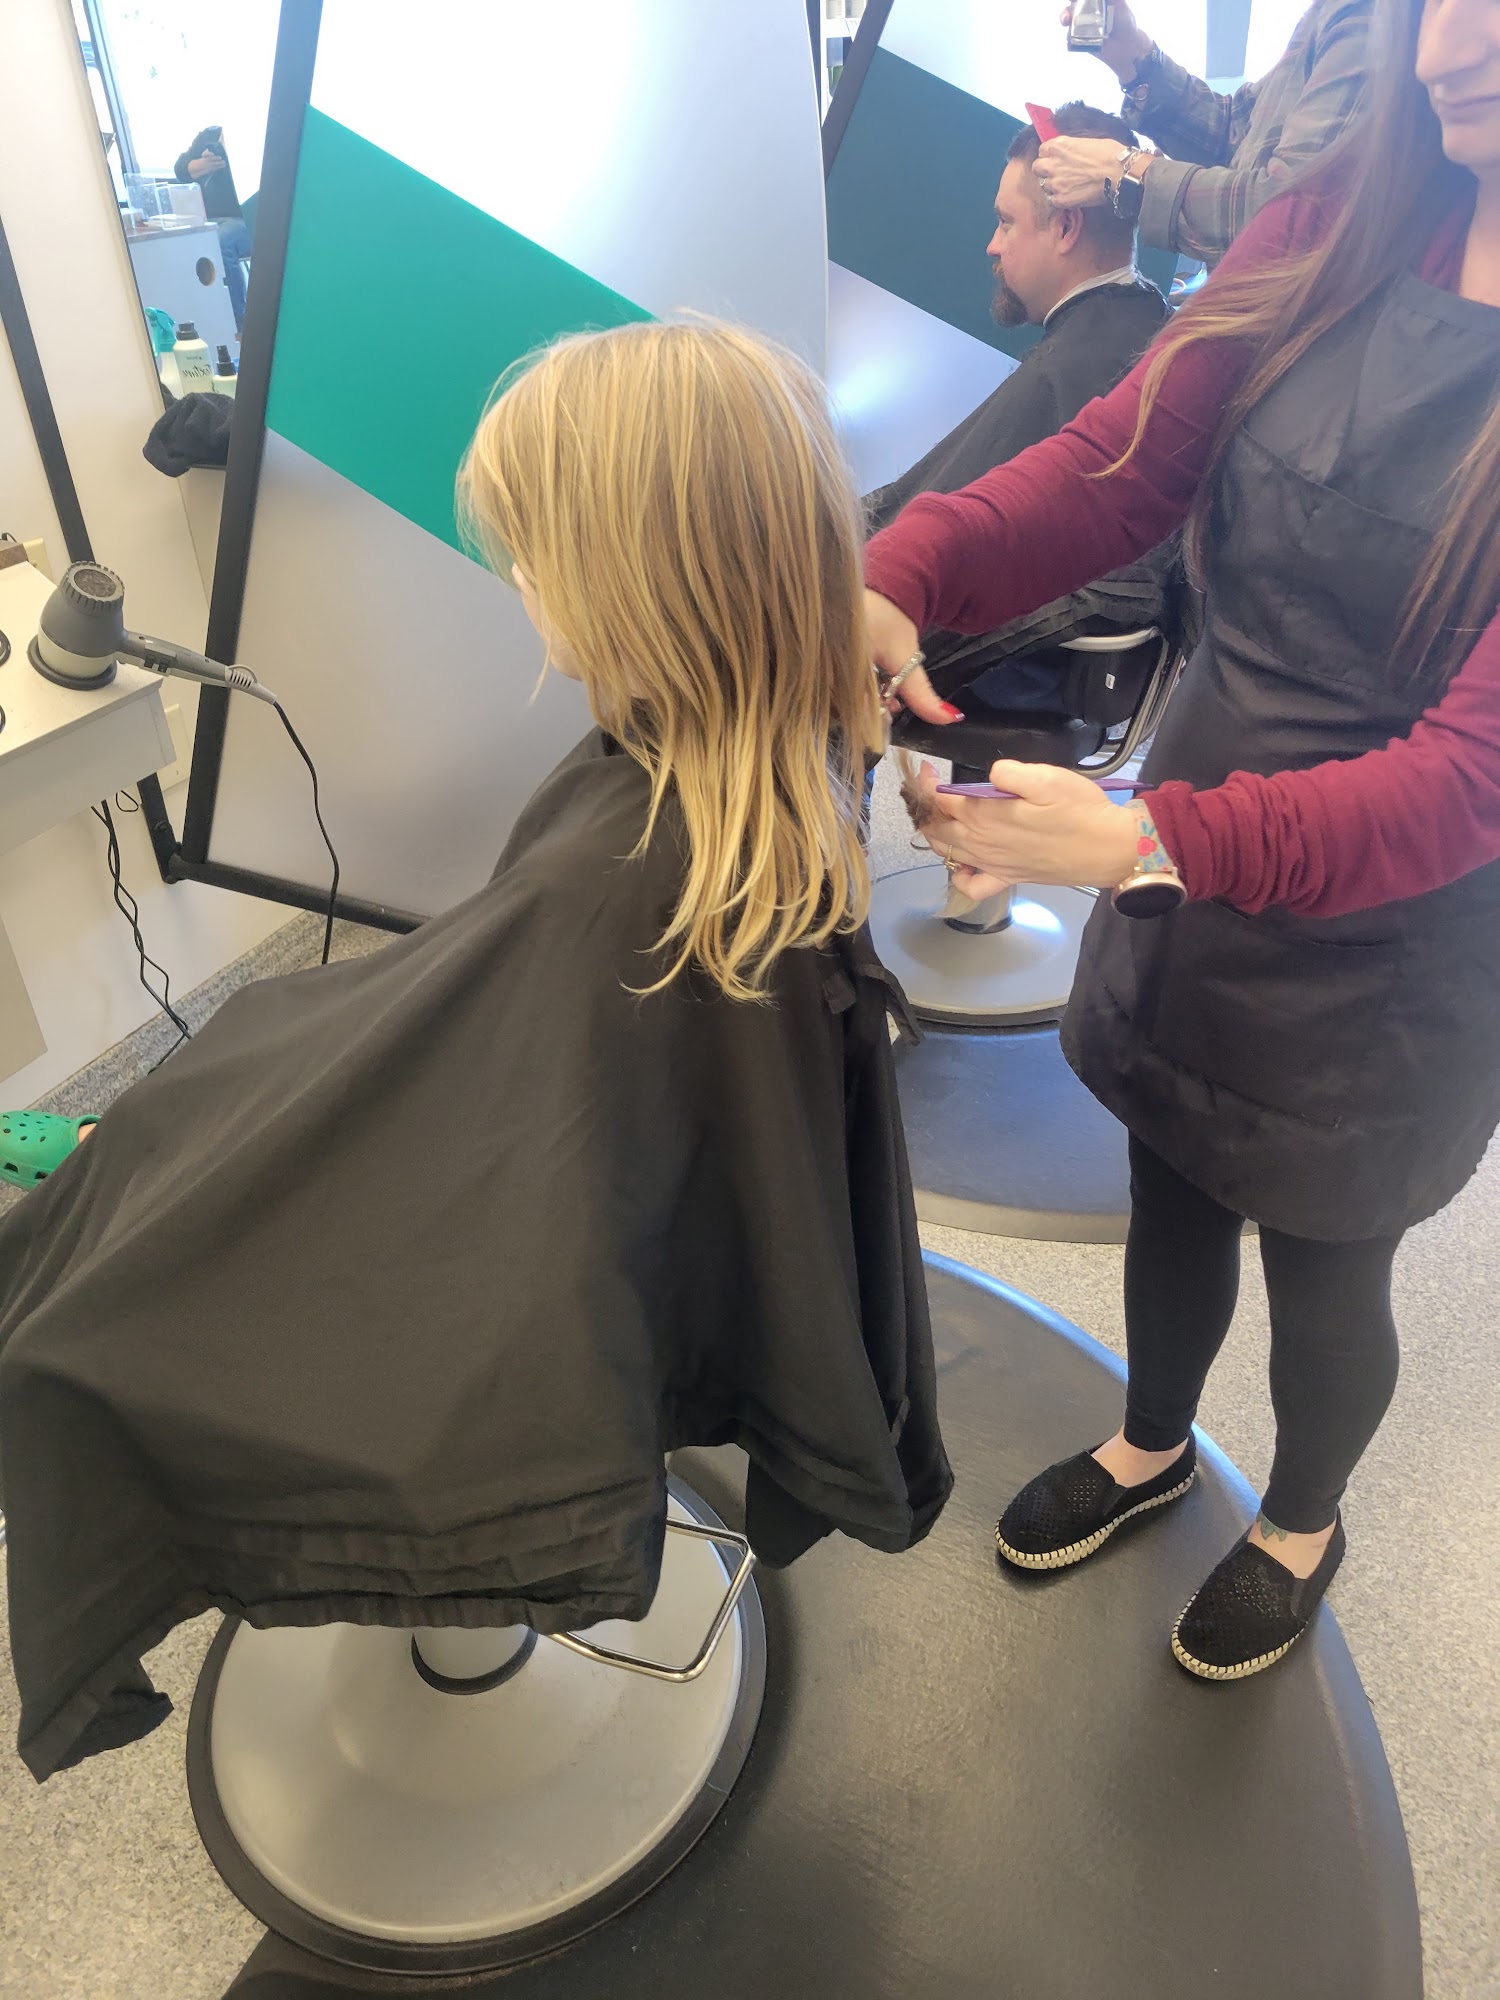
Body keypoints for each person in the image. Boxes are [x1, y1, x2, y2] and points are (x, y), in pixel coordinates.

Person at [0, 321, 951, 1779]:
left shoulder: (630, 873)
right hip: (524, 1134)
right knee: (187, 1112)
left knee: (75, 1338)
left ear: (636, 581)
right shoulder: (778, 749)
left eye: (535, 554)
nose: (518, 582)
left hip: (516, 1236)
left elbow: (509, 1113)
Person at [866, 0, 1500, 1681]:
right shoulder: (1336, 217)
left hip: (1392, 916)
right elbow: (1118, 462)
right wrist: (904, 569)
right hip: (1193, 833)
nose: (1450, 44)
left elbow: (1467, 781)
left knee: (1328, 1257)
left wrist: (1149, 836)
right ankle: (1152, 1443)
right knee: (1171, 1176)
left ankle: (1300, 1522)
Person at [865, 103, 1183, 717]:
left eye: (1006, 223)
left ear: (1065, 228)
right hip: (1090, 662)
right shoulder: (1141, 324)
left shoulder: (1076, 365)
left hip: (1034, 663)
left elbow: (937, 524)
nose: (992, 244)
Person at [1039, 0, 1373, 266]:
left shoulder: (1369, 16)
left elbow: (1293, 218)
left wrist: (1129, 175)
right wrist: (1135, 58)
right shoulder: (1327, 13)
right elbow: (1236, 131)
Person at [174, 123, 251, 331]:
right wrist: (200, 165)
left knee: (220, 242)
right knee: (182, 240)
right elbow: (180, 168)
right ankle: (202, 318)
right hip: (211, 218)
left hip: (246, 218)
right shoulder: (210, 135)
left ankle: (238, 322)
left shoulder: (254, 134)